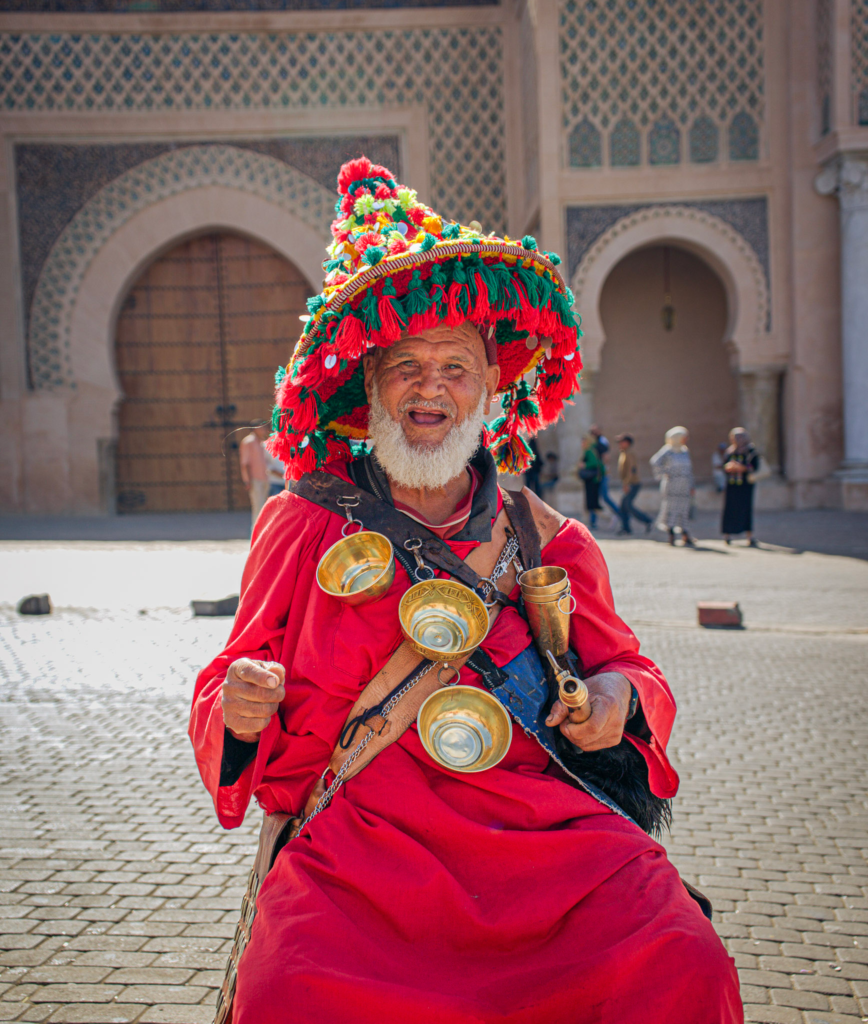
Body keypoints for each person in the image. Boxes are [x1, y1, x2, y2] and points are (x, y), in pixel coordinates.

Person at [190, 157, 740, 1024]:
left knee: (682, 960)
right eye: (406, 365)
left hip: (548, 840)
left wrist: (613, 697)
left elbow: (634, 669)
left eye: (455, 366)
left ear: (489, 390)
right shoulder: (301, 524)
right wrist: (242, 705)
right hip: (358, 848)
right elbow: (233, 670)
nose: (431, 386)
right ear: (369, 389)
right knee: (288, 989)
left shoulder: (552, 540)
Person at [650, 426, 696, 547]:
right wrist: (665, 473)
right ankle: (671, 535)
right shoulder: (668, 450)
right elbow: (655, 461)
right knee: (671, 510)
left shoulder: (685, 451)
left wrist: (691, 485)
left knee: (684, 510)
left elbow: (689, 470)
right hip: (672, 485)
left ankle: (685, 534)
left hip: (684, 485)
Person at [722, 427, 761, 546]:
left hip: (745, 486)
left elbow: (755, 467)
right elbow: (724, 466)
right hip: (732, 485)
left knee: (745, 510)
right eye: (736, 437)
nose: (738, 439)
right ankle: (727, 535)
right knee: (730, 510)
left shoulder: (751, 452)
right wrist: (728, 467)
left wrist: (742, 468)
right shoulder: (730, 451)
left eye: (741, 436)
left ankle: (749, 536)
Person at [616, 433, 653, 535]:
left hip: (632, 483)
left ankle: (647, 520)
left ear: (627, 443)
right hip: (628, 483)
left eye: (621, 442)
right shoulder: (623, 453)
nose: (619, 444)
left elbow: (632, 470)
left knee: (627, 505)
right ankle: (626, 528)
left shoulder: (630, 454)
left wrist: (627, 484)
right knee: (623, 506)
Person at [238, 421, 272, 529]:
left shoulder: (263, 441)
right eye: (262, 428)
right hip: (255, 480)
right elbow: (245, 463)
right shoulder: (248, 442)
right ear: (255, 428)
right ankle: (256, 534)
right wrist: (247, 481)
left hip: (266, 479)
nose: (264, 430)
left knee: (265, 509)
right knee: (258, 508)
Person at [590, 424, 621, 525]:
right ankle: (592, 522)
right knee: (593, 497)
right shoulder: (593, 442)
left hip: (601, 474)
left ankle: (620, 513)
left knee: (605, 497)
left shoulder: (602, 441)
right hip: (594, 474)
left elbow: (606, 457)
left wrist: (602, 470)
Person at [578, 433, 603, 529]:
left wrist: (584, 465)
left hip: (592, 480)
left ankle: (598, 521)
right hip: (590, 480)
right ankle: (592, 522)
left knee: (592, 502)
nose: (582, 444)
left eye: (584, 442)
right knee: (591, 502)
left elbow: (595, 463)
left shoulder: (589, 451)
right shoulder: (588, 451)